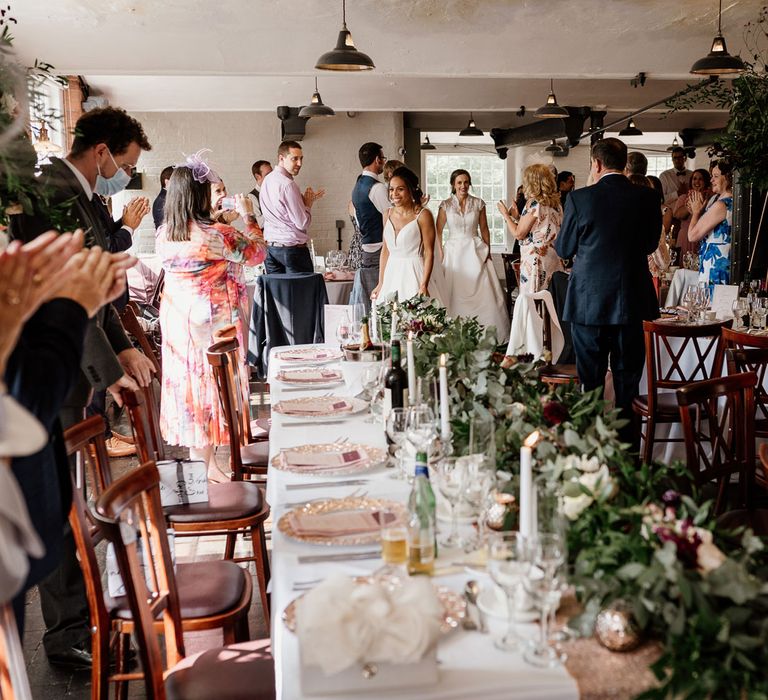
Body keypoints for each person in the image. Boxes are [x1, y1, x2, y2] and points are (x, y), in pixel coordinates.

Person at [8, 107, 156, 670]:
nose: (124, 175)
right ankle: (68, 631)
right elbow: (69, 292)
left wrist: (120, 350)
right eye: (125, 163)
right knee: (57, 503)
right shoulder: (54, 192)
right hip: (53, 366)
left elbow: (95, 287)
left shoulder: (80, 193)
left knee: (64, 494)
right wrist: (110, 368)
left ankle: (81, 617)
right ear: (102, 152)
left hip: (75, 360)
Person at [157, 156, 266, 482]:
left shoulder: (165, 234)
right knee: (214, 391)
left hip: (179, 326)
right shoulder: (218, 235)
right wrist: (249, 217)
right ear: (197, 195)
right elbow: (258, 252)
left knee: (192, 395)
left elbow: (200, 238)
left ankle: (204, 467)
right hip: (214, 326)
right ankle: (215, 466)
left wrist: (217, 219)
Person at [555, 137, 661, 447]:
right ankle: (627, 450)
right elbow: (650, 245)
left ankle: (591, 448)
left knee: (591, 380)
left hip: (589, 302)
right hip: (633, 301)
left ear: (596, 164)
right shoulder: (647, 198)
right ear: (625, 164)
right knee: (628, 381)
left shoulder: (580, 199)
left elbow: (563, 248)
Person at [436, 169, 509, 337]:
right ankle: (454, 332)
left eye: (466, 182)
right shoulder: (445, 205)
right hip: (453, 253)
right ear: (453, 185)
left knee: (484, 291)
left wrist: (488, 251)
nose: (463, 186)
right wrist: (440, 253)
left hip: (475, 250)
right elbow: (438, 231)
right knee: (453, 292)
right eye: (460, 182)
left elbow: (484, 228)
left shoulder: (478, 203)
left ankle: (486, 333)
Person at [370, 166, 446, 305]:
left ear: (410, 189)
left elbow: (429, 252)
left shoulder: (423, 215)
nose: (394, 194)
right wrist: (381, 283)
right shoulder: (387, 214)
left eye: (400, 189)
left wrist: (424, 284)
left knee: (417, 320)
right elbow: (385, 251)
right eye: (391, 189)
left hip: (414, 272)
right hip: (392, 274)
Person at [259, 140, 324, 274]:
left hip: (271, 250)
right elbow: (302, 223)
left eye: (301, 159)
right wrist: (308, 204)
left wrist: (302, 201)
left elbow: (279, 211)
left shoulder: (267, 180)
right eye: (295, 159)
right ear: (281, 158)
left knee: (277, 294)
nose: (299, 163)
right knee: (301, 294)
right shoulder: (288, 185)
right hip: (292, 251)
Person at [497, 163, 564, 294]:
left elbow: (519, 234)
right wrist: (516, 218)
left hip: (536, 259)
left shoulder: (534, 202)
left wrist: (506, 215)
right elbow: (538, 229)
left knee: (534, 300)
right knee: (550, 299)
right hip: (553, 257)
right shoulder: (556, 205)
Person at [687, 160, 733, 292]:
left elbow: (692, 235)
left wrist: (696, 213)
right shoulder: (731, 202)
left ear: (728, 178)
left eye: (716, 176)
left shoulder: (721, 205)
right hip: (723, 261)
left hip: (715, 265)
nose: (711, 180)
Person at [351, 142, 389, 271]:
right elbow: (392, 219)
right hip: (380, 250)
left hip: (367, 249)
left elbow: (357, 218)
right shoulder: (377, 188)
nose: (383, 162)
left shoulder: (356, 187)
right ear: (377, 160)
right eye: (383, 159)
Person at [672, 168, 712, 258]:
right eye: (694, 179)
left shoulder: (711, 198)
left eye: (700, 179)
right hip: (686, 237)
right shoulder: (684, 197)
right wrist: (692, 203)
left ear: (706, 181)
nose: (697, 182)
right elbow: (677, 215)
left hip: (703, 235)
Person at [247, 159, 272, 229]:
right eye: (268, 175)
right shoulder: (251, 197)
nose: (272, 177)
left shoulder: (275, 192)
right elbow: (260, 224)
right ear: (258, 176)